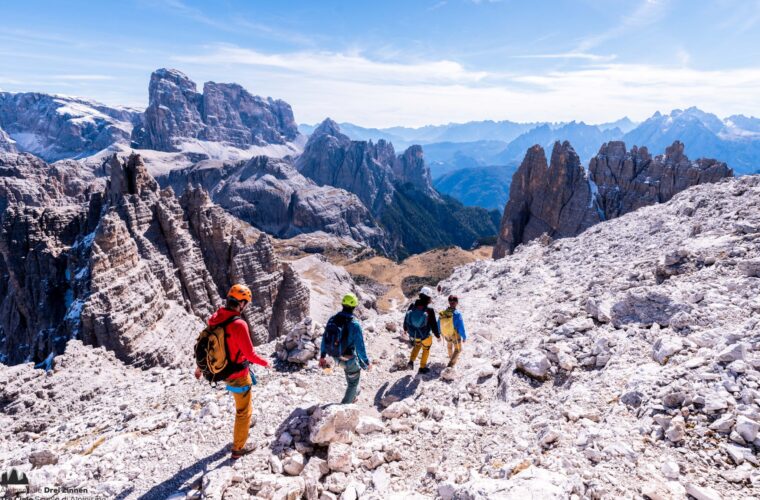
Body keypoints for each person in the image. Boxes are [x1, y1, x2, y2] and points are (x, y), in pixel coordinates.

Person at [194, 284, 270, 459]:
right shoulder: (239, 324)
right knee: (243, 412)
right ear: (241, 303)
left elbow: (204, 346)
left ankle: (242, 430)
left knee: (242, 407)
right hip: (238, 375)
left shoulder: (216, 318)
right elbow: (250, 354)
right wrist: (265, 363)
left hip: (224, 371)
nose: (246, 307)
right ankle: (238, 449)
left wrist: (199, 368)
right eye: (246, 304)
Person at [319, 293, 372, 404]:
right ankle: (344, 406)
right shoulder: (354, 324)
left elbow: (325, 338)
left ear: (343, 304)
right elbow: (360, 347)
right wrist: (366, 362)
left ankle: (353, 394)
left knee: (351, 377)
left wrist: (322, 357)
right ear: (354, 307)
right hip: (346, 359)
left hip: (332, 357)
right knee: (353, 380)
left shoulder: (332, 319)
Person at [404, 286, 441, 374]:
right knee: (426, 349)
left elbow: (406, 318)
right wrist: (437, 335)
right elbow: (433, 325)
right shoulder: (429, 310)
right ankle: (422, 367)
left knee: (417, 346)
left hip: (414, 334)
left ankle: (411, 361)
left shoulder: (412, 305)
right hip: (425, 336)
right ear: (428, 297)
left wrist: (405, 328)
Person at [438, 294, 467, 367]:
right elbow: (461, 327)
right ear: (457, 303)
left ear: (449, 302)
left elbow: (438, 323)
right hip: (455, 334)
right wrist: (464, 336)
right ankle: (451, 364)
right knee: (458, 349)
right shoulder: (457, 314)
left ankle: (451, 357)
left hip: (446, 333)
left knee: (449, 346)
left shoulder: (443, 313)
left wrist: (438, 333)